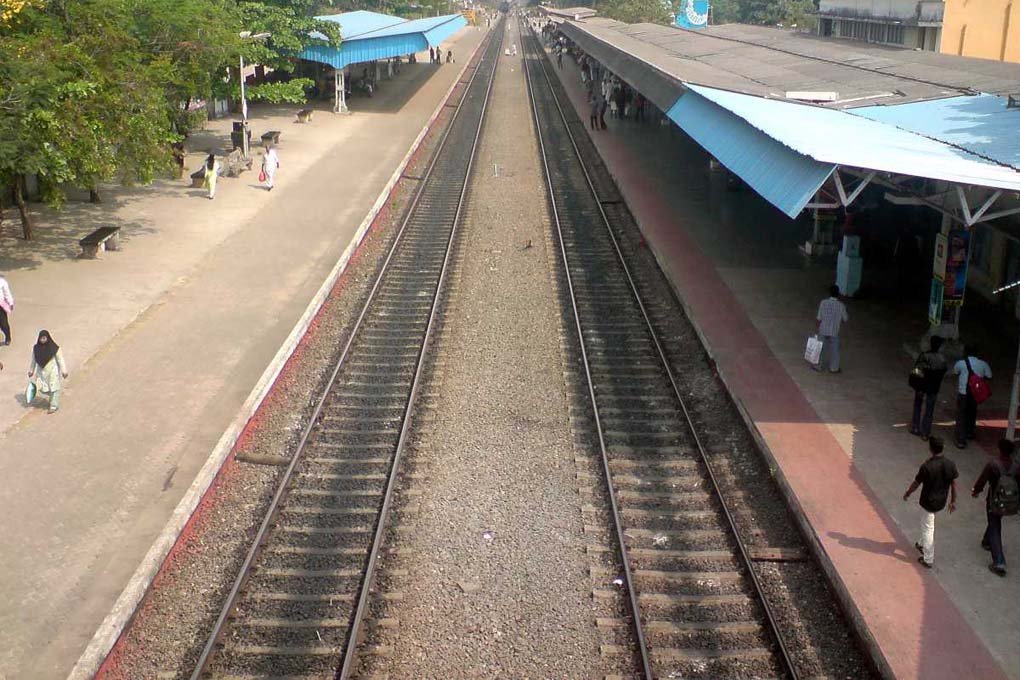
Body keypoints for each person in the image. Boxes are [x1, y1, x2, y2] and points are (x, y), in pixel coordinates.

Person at [903, 436, 957, 568]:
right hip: (941, 501)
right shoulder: (950, 465)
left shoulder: (927, 466)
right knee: (926, 522)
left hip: (928, 503)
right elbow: (954, 485)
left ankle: (928, 558)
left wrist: (908, 493)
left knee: (928, 528)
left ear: (930, 449)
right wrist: (953, 501)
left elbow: (916, 483)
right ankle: (921, 543)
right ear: (943, 448)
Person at [972, 439, 1018, 576]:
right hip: (1009, 501)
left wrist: (976, 491)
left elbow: (982, 480)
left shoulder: (993, 465)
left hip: (994, 500)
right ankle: (987, 541)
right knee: (995, 521)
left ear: (999, 449)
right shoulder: (1016, 467)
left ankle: (999, 561)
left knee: (994, 525)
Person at [952, 345, 992, 448]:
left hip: (963, 393)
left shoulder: (961, 363)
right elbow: (989, 376)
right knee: (972, 413)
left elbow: (955, 372)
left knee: (961, 415)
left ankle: (961, 439)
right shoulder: (983, 364)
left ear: (965, 352)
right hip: (975, 394)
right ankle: (969, 433)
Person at [910, 336, 948, 440]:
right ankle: (925, 433)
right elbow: (943, 372)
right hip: (934, 387)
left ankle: (915, 428)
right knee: (929, 410)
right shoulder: (942, 359)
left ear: (930, 344)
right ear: (940, 346)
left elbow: (916, 370)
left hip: (922, 386)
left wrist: (917, 382)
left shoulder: (924, 356)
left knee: (917, 405)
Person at [27, 330, 67, 413]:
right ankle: (53, 398)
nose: (43, 340)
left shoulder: (55, 348)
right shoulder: (36, 349)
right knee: (42, 388)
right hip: (41, 372)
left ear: (48, 338)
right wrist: (31, 370)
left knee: (54, 388)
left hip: (52, 371)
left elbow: (60, 359)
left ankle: (54, 405)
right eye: (41, 338)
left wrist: (64, 371)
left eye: (44, 338)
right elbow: (33, 360)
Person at [815, 285, 848, 373]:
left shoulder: (823, 302)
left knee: (820, 348)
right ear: (838, 294)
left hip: (823, 329)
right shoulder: (841, 306)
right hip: (834, 331)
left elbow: (819, 318)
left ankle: (818, 366)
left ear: (829, 293)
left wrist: (817, 329)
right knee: (835, 350)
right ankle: (834, 368)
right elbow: (845, 319)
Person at [0, 273, 13, 345]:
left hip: (0, 306)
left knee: (3, 324)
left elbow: (7, 293)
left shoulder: (2, 282)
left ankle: (8, 337)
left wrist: (11, 302)